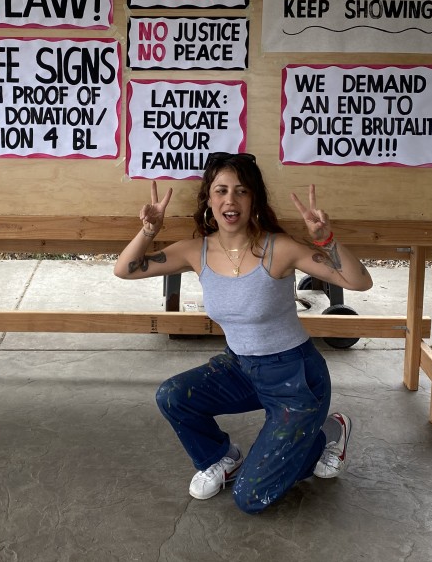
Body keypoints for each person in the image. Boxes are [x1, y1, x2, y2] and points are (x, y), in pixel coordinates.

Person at [114, 152, 373, 514]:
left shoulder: (279, 248)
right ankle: (222, 458)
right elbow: (125, 269)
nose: (230, 200)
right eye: (220, 190)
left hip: (295, 377)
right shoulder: (196, 251)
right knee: (173, 395)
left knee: (251, 498)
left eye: (241, 191)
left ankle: (329, 432)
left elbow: (360, 282)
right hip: (241, 368)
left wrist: (326, 239)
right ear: (208, 199)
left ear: (254, 201)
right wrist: (148, 231)